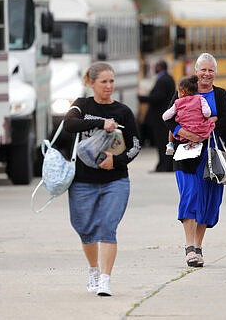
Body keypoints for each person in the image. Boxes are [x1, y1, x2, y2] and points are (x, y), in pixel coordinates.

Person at [63, 61, 141, 296]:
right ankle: (94, 270)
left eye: (111, 81)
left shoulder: (123, 112)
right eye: (103, 82)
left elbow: (135, 145)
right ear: (91, 83)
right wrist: (100, 123)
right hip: (82, 181)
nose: (109, 86)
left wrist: (115, 161)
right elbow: (69, 124)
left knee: (108, 227)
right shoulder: (81, 106)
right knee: (86, 229)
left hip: (115, 180)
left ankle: (106, 279)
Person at [164, 53, 226, 267]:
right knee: (189, 194)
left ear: (215, 73)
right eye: (203, 70)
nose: (206, 74)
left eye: (211, 70)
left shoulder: (221, 95)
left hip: (212, 155)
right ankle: (189, 247)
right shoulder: (183, 91)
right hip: (186, 154)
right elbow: (169, 119)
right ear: (196, 71)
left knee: (209, 201)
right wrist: (188, 133)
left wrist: (203, 131)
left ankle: (198, 246)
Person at [162, 74, 216, 154]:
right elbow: (207, 113)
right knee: (212, 120)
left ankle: (170, 144)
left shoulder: (178, 102)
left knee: (172, 128)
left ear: (182, 92)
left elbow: (165, 117)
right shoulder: (201, 99)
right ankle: (198, 141)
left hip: (184, 130)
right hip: (199, 129)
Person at [138, 60, 175, 172]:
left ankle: (165, 166)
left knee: (162, 142)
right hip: (164, 117)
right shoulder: (167, 78)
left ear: (160, 67)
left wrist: (143, 99)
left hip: (161, 117)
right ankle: (164, 165)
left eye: (156, 66)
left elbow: (159, 97)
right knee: (163, 142)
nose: (154, 68)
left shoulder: (163, 80)